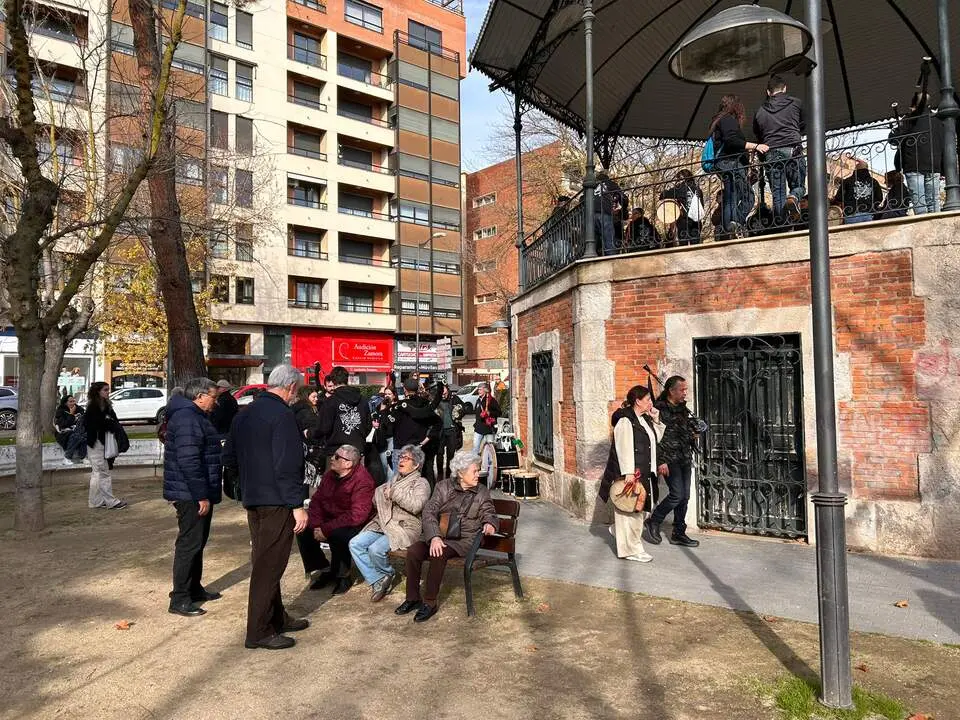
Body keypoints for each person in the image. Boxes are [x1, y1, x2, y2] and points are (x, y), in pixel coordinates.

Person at [222, 365, 310, 651]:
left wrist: (243, 485)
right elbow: (288, 465)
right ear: (292, 387)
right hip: (276, 500)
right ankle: (259, 631)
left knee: (265, 561)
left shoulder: (245, 413)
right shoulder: (282, 415)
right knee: (268, 566)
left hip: (254, 497)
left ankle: (276, 617)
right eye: (298, 387)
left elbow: (229, 457)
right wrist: (297, 504)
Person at [395, 450, 498, 623]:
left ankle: (429, 602)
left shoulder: (481, 492)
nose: (477, 474)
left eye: (478, 470)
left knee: (439, 553)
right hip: (441, 535)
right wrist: (434, 536)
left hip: (464, 540)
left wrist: (490, 523)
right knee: (414, 551)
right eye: (474, 471)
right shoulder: (443, 486)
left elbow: (489, 511)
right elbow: (429, 511)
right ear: (460, 473)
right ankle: (412, 598)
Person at [163, 377, 224, 617]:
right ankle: (179, 597)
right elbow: (189, 461)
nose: (215, 402)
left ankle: (193, 588)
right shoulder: (187, 418)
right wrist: (200, 495)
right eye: (213, 397)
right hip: (190, 493)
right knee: (189, 544)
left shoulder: (195, 417)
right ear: (199, 396)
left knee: (198, 542)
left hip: (197, 490)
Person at [349, 444, 430, 602]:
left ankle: (387, 574)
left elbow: (416, 506)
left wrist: (393, 493)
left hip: (404, 527)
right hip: (383, 524)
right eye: (401, 457)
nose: (402, 460)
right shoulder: (393, 479)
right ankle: (378, 579)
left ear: (416, 465)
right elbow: (377, 501)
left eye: (407, 458)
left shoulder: (421, 483)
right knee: (355, 544)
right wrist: (379, 495)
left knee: (375, 549)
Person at [598, 385, 665, 563]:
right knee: (630, 511)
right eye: (648, 400)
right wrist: (628, 472)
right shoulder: (626, 420)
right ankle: (631, 550)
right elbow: (623, 446)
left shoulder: (645, 419)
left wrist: (656, 420)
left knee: (641, 510)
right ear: (638, 401)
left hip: (645, 471)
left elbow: (655, 439)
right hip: (632, 473)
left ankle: (621, 534)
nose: (651, 403)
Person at [306, 444, 375, 595]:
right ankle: (324, 568)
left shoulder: (363, 480)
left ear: (348, 463)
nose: (332, 458)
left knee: (338, 534)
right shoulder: (330, 475)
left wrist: (326, 528)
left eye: (337, 457)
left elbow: (357, 515)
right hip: (331, 518)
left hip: (355, 523)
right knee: (302, 528)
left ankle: (343, 576)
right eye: (333, 455)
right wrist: (317, 525)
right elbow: (317, 500)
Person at [643, 377, 700, 549]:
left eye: (685, 390)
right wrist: (661, 461)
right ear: (671, 391)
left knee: (685, 497)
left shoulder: (683, 409)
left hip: (684, 457)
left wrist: (693, 434)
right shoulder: (659, 409)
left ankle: (678, 533)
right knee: (677, 494)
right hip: (669, 460)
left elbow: (681, 431)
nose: (685, 393)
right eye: (682, 390)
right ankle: (654, 520)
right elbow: (654, 437)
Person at [710, 94, 767, 238]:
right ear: (735, 106)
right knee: (747, 197)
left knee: (731, 198)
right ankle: (734, 225)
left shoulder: (719, 120)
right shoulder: (727, 120)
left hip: (726, 164)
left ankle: (731, 226)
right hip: (731, 164)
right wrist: (755, 146)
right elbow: (731, 141)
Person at [752, 75, 806, 223]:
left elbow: (758, 135)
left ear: (768, 92)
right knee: (799, 186)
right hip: (793, 150)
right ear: (785, 88)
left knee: (777, 193)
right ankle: (794, 197)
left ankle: (782, 226)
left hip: (771, 153)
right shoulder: (796, 103)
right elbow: (804, 124)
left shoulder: (760, 112)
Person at [889, 91, 943, 215]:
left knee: (919, 201)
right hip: (934, 165)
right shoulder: (938, 120)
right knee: (933, 201)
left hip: (914, 164)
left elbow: (893, 140)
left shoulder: (910, 119)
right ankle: (935, 227)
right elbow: (943, 142)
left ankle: (925, 229)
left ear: (914, 105)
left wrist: (897, 129)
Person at [84, 382, 127, 509]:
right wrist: (109, 423)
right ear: (98, 392)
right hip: (96, 443)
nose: (108, 392)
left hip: (100, 442)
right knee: (102, 473)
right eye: (105, 390)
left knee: (98, 473)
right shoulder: (94, 407)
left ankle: (95, 501)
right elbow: (95, 425)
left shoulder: (103, 405)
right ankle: (110, 501)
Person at [313, 366, 371, 460]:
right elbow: (368, 426)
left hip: (335, 452)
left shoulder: (330, 402)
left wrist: (312, 434)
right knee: (358, 475)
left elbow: (323, 428)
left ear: (333, 381)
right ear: (347, 380)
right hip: (357, 450)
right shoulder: (363, 401)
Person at [389, 377, 440, 478]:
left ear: (405, 389)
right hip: (417, 447)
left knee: (398, 480)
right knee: (415, 480)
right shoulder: (426, 405)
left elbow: (389, 427)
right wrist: (424, 441)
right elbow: (438, 424)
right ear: (417, 389)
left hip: (401, 448)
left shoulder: (399, 406)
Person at [659, 170, 705, 245]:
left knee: (684, 246)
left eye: (678, 179)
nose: (677, 181)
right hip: (696, 220)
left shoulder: (679, 188)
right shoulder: (698, 189)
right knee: (696, 245)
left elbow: (662, 196)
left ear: (682, 178)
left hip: (684, 220)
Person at [434, 382, 464, 481]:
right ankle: (439, 475)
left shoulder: (454, 398)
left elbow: (464, 408)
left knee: (451, 454)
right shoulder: (436, 400)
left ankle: (448, 476)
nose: (443, 395)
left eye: (444, 392)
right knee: (439, 453)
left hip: (452, 430)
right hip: (440, 431)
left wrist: (459, 413)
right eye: (441, 393)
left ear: (447, 390)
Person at [594, 171, 629, 256]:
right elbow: (622, 197)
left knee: (593, 240)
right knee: (608, 237)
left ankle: (592, 257)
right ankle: (611, 258)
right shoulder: (610, 184)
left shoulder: (591, 186)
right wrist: (624, 209)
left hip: (589, 214)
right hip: (604, 212)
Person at [371, 385, 397, 480]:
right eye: (385, 394)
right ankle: (385, 484)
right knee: (384, 465)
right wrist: (381, 410)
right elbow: (376, 419)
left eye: (389, 394)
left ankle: (389, 486)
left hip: (392, 437)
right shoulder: (381, 406)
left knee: (390, 465)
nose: (387, 396)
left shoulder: (397, 407)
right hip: (382, 438)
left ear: (394, 395)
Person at [471, 382, 500, 455]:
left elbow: (499, 412)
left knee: (490, 450)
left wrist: (490, 413)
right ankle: (475, 465)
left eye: (480, 390)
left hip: (488, 428)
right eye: (478, 390)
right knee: (475, 448)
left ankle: (489, 465)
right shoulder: (478, 400)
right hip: (478, 428)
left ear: (485, 390)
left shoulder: (491, 400)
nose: (478, 391)